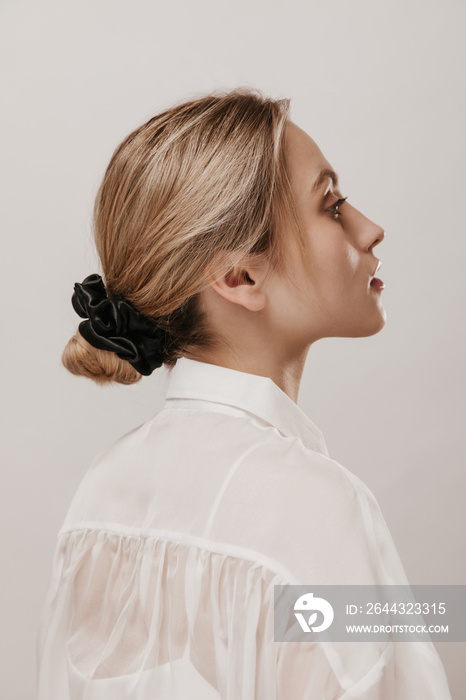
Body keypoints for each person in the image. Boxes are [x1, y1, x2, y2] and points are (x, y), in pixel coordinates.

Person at [36, 87, 452, 699]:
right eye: (332, 206)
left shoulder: (98, 496)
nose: (370, 227)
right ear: (241, 276)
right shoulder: (320, 510)